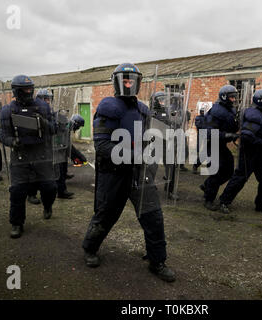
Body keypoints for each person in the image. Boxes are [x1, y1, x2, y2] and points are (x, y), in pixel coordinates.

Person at [82, 63, 175, 282]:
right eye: (124, 80)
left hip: (139, 173)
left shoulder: (143, 109)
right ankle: (89, 248)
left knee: (153, 217)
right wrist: (133, 155)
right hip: (114, 174)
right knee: (105, 215)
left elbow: (150, 138)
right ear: (117, 82)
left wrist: (162, 135)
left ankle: (157, 261)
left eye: (131, 80)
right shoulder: (108, 107)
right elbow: (102, 146)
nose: (128, 83)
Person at [0, 75, 57, 238]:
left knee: (50, 187)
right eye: (25, 89)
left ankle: (47, 205)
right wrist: (12, 141)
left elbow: (55, 129)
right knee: (17, 191)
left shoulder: (43, 107)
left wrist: (44, 123)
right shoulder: (7, 110)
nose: (29, 91)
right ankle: (17, 223)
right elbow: (2, 135)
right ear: (17, 91)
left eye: (30, 88)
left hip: (42, 155)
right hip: (20, 157)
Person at [218, 89, 262, 215]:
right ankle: (224, 201)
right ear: (260, 100)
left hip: (261, 154)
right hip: (249, 153)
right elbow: (246, 136)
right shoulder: (254, 115)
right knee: (240, 179)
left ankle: (261, 205)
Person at [200, 85, 240, 210]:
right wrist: (227, 135)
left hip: (221, 145)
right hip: (213, 144)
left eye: (235, 97)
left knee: (228, 171)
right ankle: (209, 199)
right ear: (224, 97)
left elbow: (231, 125)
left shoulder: (230, 110)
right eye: (231, 97)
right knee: (215, 171)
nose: (233, 100)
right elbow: (208, 132)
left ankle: (207, 186)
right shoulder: (216, 111)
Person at [192, 108, 205, 174]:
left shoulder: (206, 117)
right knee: (199, 144)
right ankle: (197, 152)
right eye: (202, 111)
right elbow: (198, 125)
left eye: (203, 111)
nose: (203, 112)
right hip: (200, 132)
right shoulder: (198, 117)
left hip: (205, 133)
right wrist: (204, 126)